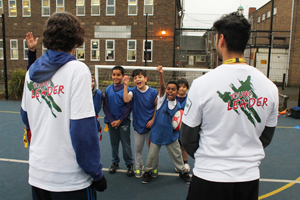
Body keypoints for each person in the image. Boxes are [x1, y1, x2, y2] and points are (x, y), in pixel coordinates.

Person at [181, 12, 278, 200]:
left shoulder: (202, 84)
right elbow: (266, 136)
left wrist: (210, 156)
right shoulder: (269, 87)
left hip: (208, 177)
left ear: (221, 39)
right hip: (248, 180)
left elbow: (187, 137)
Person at [20, 12, 107, 200]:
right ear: (76, 41)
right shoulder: (78, 70)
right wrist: (96, 173)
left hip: (38, 173)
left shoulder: (31, 73)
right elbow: (83, 130)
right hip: (69, 178)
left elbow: (26, 117)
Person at [141, 65, 191, 184]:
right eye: (169, 89)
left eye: (173, 89)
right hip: (157, 133)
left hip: (170, 135)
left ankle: (182, 171)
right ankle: (147, 171)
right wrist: (161, 74)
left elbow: (178, 122)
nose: (170, 91)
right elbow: (162, 87)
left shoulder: (178, 107)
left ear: (177, 91)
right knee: (151, 156)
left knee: (177, 155)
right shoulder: (162, 100)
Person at [123, 69, 158, 178]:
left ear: (145, 79)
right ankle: (138, 169)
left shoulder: (153, 92)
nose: (138, 79)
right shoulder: (133, 91)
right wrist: (125, 85)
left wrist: (153, 120)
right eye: (135, 78)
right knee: (138, 149)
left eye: (140, 77)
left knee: (153, 150)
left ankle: (154, 169)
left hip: (151, 126)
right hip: (138, 126)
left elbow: (157, 106)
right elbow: (126, 99)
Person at [103, 65, 135, 177]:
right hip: (112, 123)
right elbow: (105, 107)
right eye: (114, 74)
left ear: (122, 76)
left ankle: (130, 164)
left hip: (123, 122)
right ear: (111, 75)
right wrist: (111, 120)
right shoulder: (107, 89)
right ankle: (115, 162)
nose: (116, 77)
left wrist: (120, 120)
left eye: (118, 75)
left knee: (126, 144)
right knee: (114, 144)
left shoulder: (128, 90)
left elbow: (128, 107)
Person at [175, 78, 190, 173]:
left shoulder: (189, 99)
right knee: (176, 147)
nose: (181, 89)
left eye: (184, 87)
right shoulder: (172, 98)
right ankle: (178, 164)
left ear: (187, 89)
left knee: (184, 146)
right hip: (175, 128)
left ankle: (185, 163)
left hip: (185, 127)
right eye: (180, 86)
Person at [91, 73, 103, 137]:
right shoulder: (79, 93)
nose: (91, 83)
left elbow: (98, 106)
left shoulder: (98, 93)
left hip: (94, 121)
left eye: (92, 81)